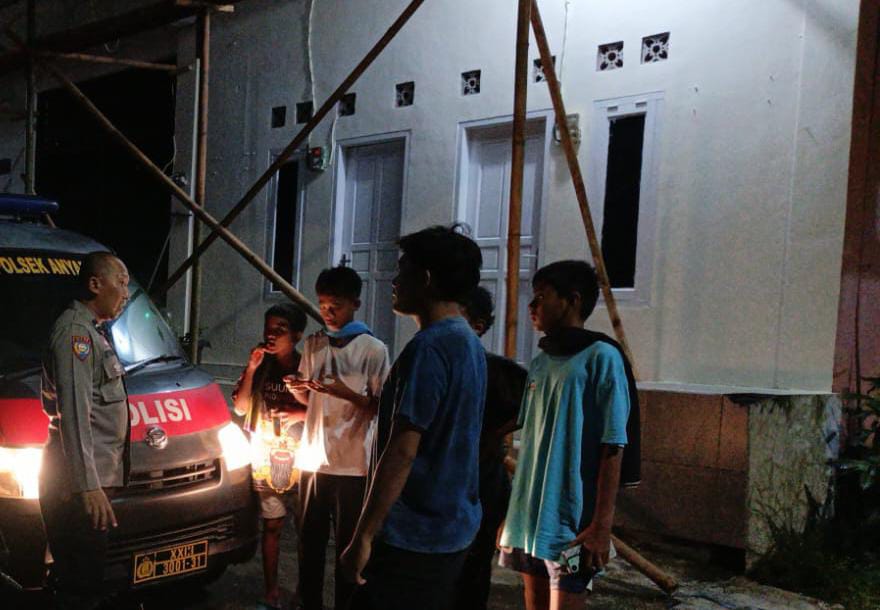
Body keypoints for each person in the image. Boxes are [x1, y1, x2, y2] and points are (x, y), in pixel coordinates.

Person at [340, 225, 487, 610]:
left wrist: (364, 535)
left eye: (402, 270)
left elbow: (403, 451)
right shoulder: (468, 342)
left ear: (425, 279)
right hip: (451, 529)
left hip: (414, 537)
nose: (394, 280)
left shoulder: (430, 348)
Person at [498, 260, 634, 610]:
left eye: (541, 297)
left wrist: (601, 526)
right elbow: (528, 429)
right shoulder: (541, 362)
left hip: (572, 528)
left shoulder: (601, 358)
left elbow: (613, 445)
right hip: (530, 523)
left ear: (573, 300)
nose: (532, 306)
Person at [284, 266, 389, 610]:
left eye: (337, 306)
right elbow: (309, 400)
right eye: (324, 305)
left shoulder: (373, 349)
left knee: (348, 547)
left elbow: (380, 406)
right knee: (308, 543)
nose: (328, 312)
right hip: (313, 459)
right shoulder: (314, 344)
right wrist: (297, 388)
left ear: (355, 304)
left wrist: (345, 392)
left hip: (352, 463)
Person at [39, 251, 131, 609]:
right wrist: (87, 486)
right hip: (76, 488)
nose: (125, 293)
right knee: (79, 588)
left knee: (89, 581)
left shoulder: (93, 331)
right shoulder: (75, 333)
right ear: (95, 284)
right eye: (120, 283)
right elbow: (75, 414)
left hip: (87, 484)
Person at [232, 303, 308, 610]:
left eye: (281, 329)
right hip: (265, 457)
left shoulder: (306, 366)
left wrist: (298, 413)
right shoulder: (261, 365)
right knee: (272, 525)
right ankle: (271, 593)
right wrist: (251, 368)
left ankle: (304, 591)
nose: (272, 335)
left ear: (297, 335)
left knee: (306, 530)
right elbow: (240, 407)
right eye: (269, 328)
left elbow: (324, 410)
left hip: (303, 459)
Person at [455, 286, 527, 610]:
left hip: (483, 481)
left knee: (474, 564)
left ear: (478, 326)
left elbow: (531, 403)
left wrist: (494, 434)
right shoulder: (435, 364)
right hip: (447, 482)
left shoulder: (496, 370)